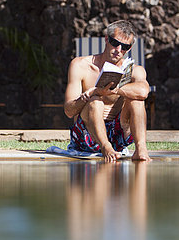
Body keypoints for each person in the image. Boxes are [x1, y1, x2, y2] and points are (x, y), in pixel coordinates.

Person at [64, 20, 152, 162]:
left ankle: (141, 149)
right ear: (106, 39)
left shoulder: (134, 70)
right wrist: (93, 93)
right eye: (114, 43)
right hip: (88, 136)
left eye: (124, 47)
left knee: (137, 101)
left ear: (129, 49)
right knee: (96, 102)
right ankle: (106, 147)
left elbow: (143, 92)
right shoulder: (80, 65)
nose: (118, 49)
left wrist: (115, 89)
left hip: (118, 133)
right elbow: (68, 111)